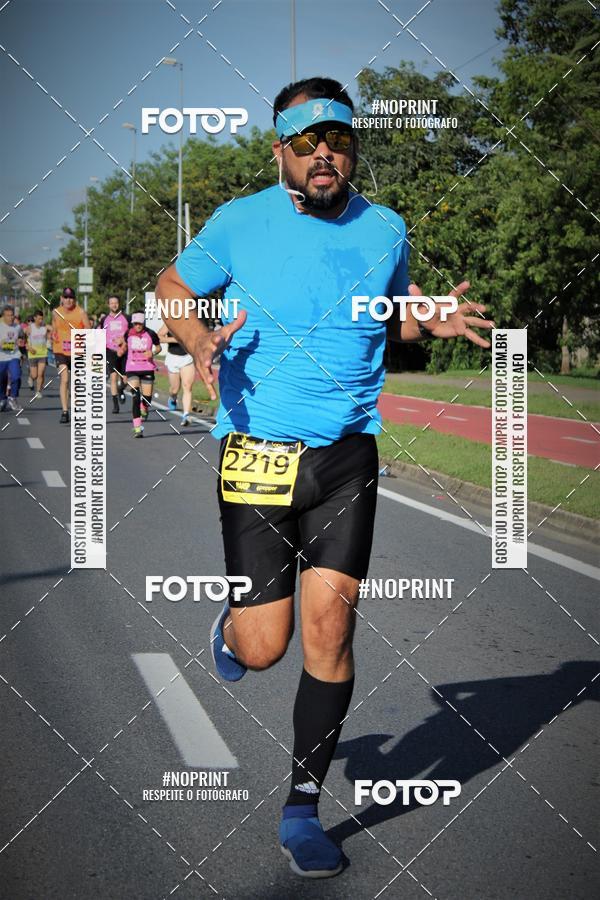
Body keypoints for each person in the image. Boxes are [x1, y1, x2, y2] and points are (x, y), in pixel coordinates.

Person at [155, 76, 494, 879]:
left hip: (346, 456)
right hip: (258, 454)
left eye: (338, 140)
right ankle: (234, 623)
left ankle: (303, 808)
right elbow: (172, 289)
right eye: (307, 143)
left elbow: (392, 308)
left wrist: (426, 318)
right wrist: (198, 334)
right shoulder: (239, 222)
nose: (324, 155)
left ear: (352, 146)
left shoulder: (385, 226)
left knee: (331, 630)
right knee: (265, 647)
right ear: (280, 150)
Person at [117, 311, 161, 437]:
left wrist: (153, 353)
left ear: (143, 323)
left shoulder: (151, 334)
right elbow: (124, 346)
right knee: (136, 396)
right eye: (135, 324)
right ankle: (137, 428)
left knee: (147, 399)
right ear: (132, 324)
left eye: (140, 324)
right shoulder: (128, 334)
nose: (137, 326)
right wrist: (121, 349)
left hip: (147, 368)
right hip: (132, 368)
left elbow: (158, 348)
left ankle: (145, 406)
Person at [51, 288, 90, 423]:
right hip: (60, 350)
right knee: (65, 379)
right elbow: (54, 326)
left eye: (71, 298)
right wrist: (54, 333)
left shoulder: (81, 312)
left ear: (74, 299)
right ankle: (65, 411)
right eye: (66, 297)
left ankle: (76, 408)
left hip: (77, 351)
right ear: (62, 298)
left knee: (76, 382)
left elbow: (88, 330)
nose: (68, 300)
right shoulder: (56, 312)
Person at [157, 322, 195, 426]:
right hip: (173, 358)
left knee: (187, 386)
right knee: (175, 388)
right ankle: (173, 397)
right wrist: (174, 340)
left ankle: (186, 415)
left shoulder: (192, 321)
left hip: (188, 357)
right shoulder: (171, 321)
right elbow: (159, 337)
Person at [102, 295, 129, 414]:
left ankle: (121, 389)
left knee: (125, 378)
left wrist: (123, 341)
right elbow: (99, 335)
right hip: (110, 351)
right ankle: (115, 405)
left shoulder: (126, 318)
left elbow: (131, 334)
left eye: (116, 303)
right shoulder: (104, 320)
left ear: (119, 304)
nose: (114, 305)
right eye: (111, 303)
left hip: (124, 351)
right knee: (113, 377)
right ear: (108, 305)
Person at [0, 305, 25, 411]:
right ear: (3, 316)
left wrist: (20, 343)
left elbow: (22, 338)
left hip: (14, 355)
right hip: (1, 357)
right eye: (8, 315)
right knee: (2, 380)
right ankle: (2, 399)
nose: (10, 318)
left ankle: (13, 398)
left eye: (12, 315)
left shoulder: (18, 327)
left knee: (16, 376)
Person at [25, 310, 50, 398]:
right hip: (32, 354)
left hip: (42, 354)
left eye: (42, 319)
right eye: (39, 319)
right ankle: (31, 378)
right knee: (35, 375)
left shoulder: (45, 328)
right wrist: (29, 347)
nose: (40, 320)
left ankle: (38, 391)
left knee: (41, 373)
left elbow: (53, 330)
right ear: (35, 318)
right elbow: (24, 341)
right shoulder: (30, 328)